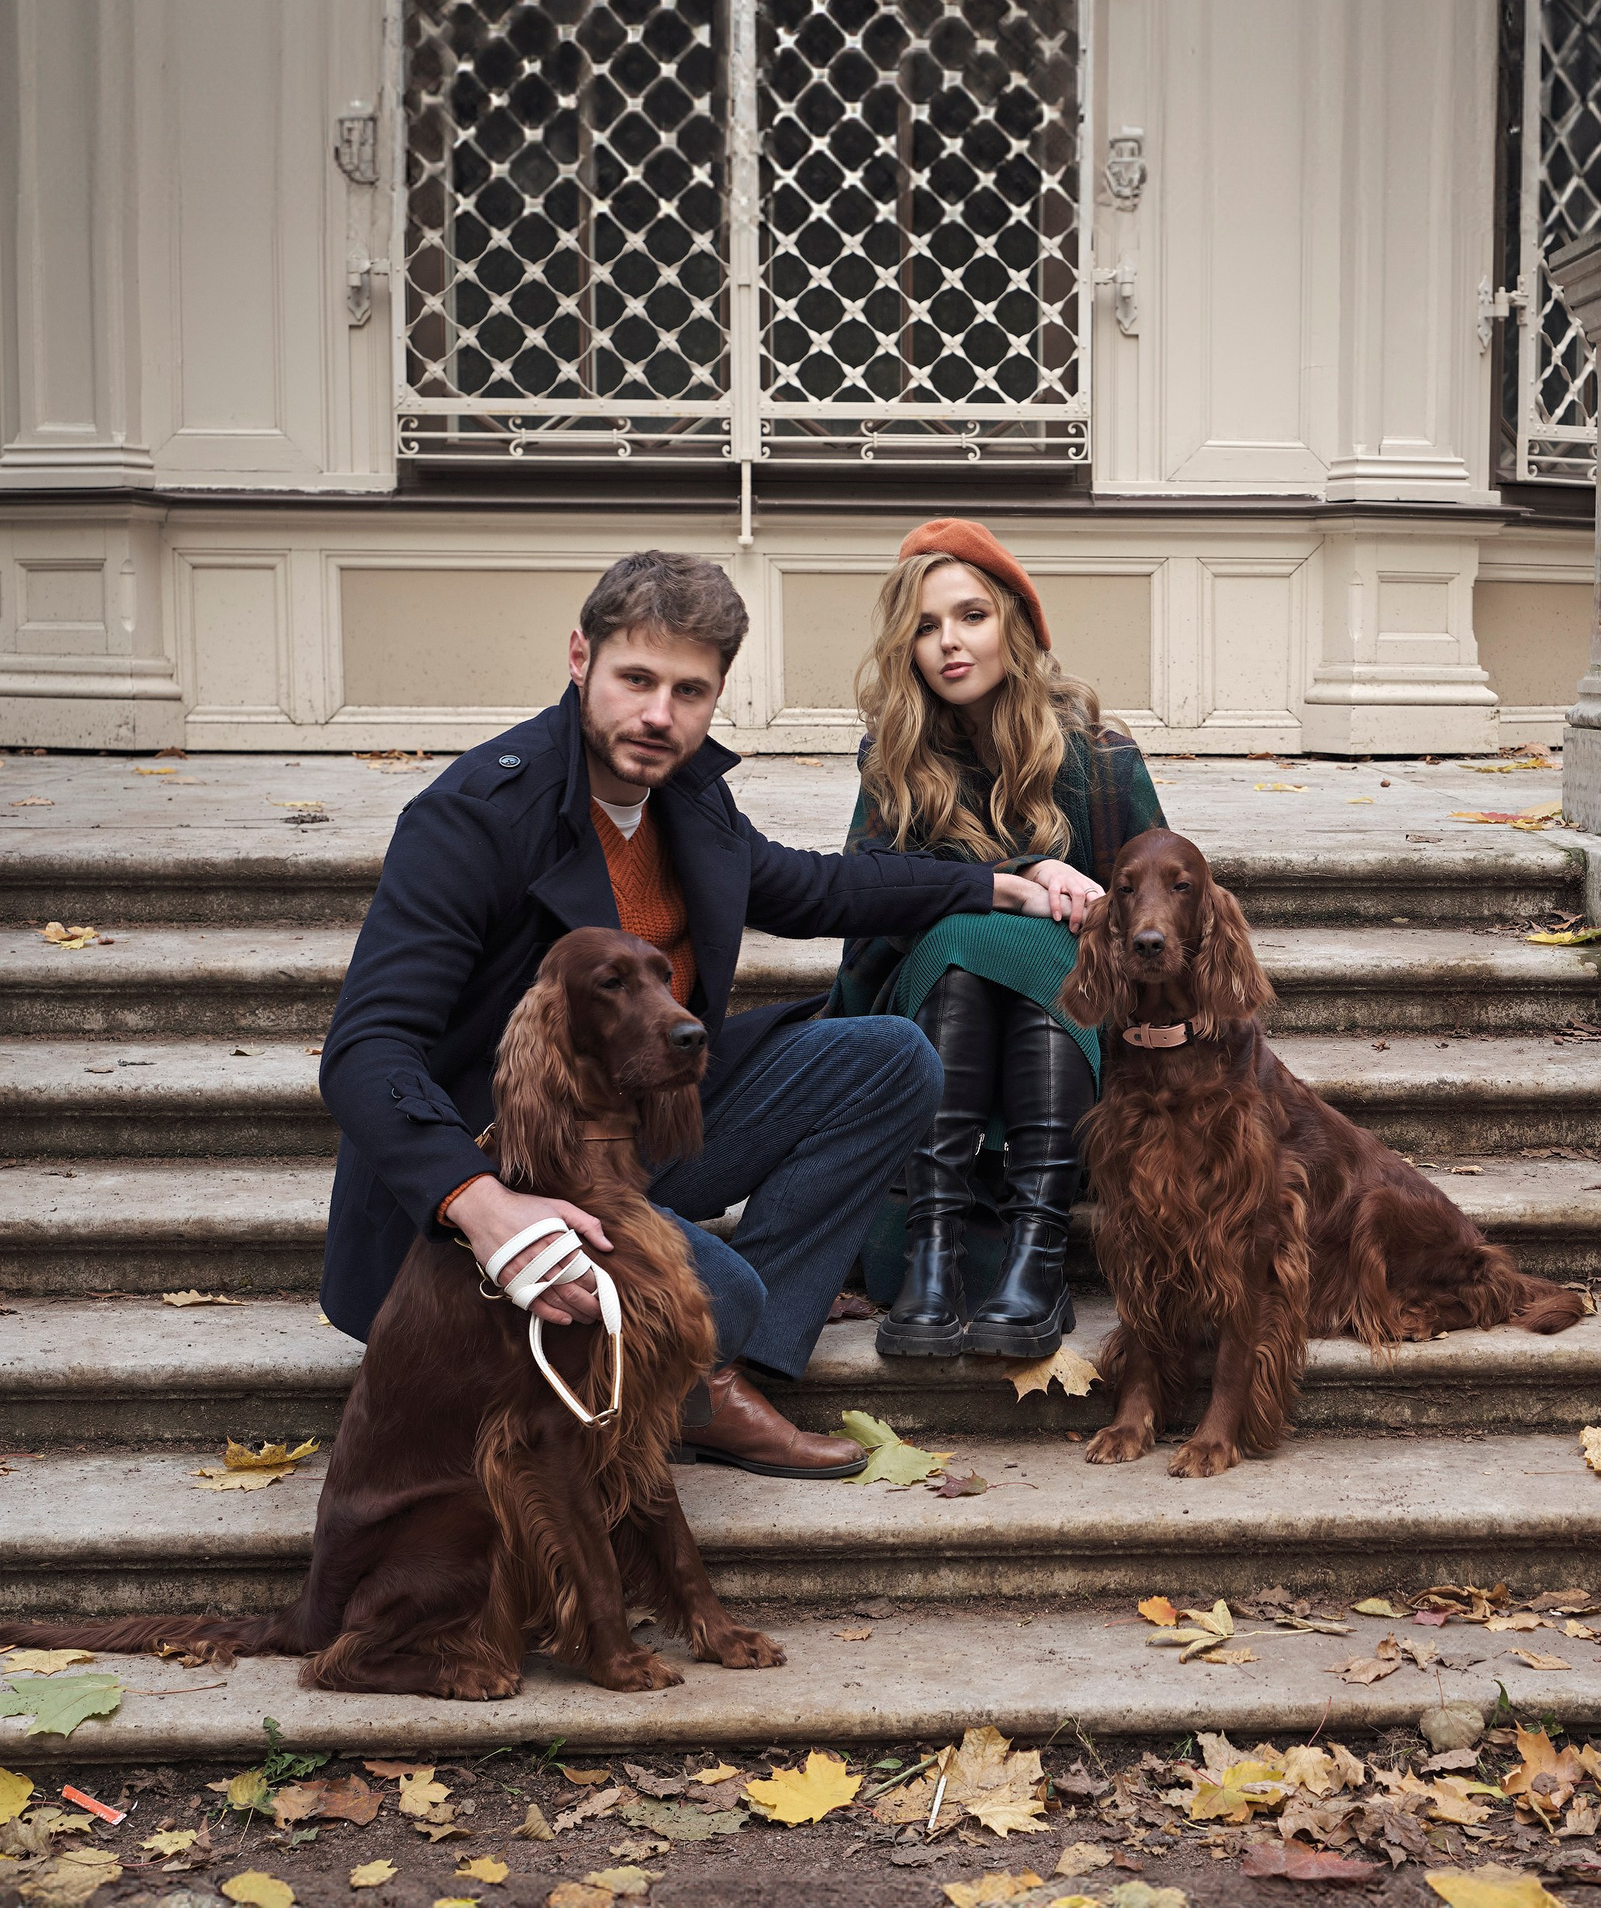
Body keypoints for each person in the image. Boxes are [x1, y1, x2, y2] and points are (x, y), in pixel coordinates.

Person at [319, 552, 1070, 1477]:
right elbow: (365, 1049)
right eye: (635, 680)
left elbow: (810, 886)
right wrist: (481, 1206)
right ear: (579, 659)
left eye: (689, 691)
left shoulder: (687, 796)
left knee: (890, 1058)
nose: (657, 716)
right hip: (510, 1166)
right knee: (727, 1293)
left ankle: (717, 1373)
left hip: (638, 1135)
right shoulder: (476, 818)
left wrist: (998, 881)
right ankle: (705, 1366)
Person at [833, 519, 1164, 1362]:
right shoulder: (893, 757)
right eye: (925, 626)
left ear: (1014, 625)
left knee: (1017, 954)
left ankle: (986, 1253)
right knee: (965, 943)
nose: (949, 643)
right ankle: (990, 1259)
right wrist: (1020, 879)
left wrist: (1085, 907)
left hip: (1068, 1007)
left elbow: (1160, 908)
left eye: (971, 616)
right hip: (928, 994)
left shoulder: (1098, 756)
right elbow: (863, 901)